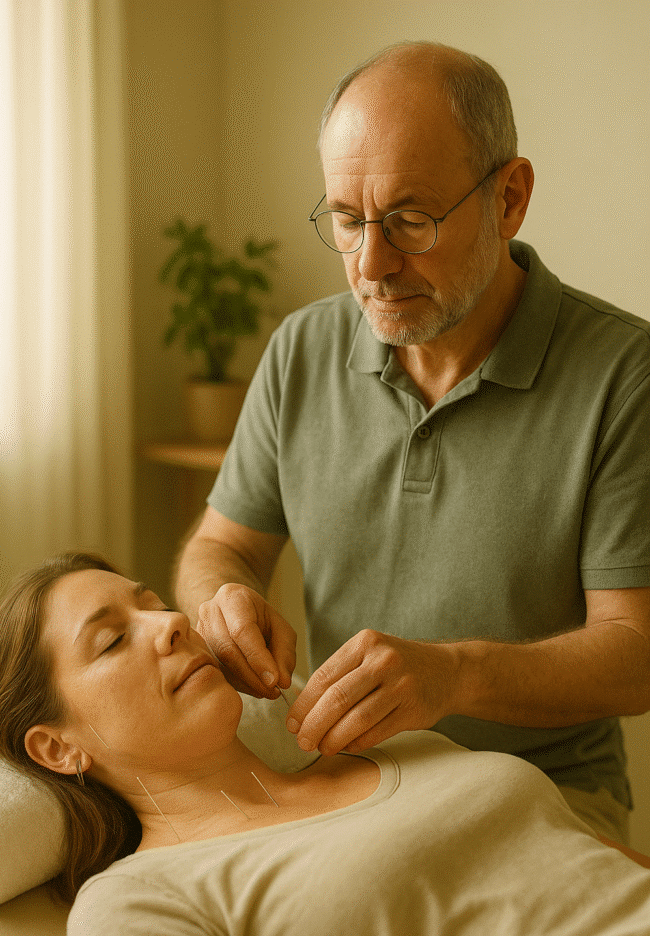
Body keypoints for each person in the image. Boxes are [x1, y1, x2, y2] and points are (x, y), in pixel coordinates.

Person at [174, 41, 650, 845]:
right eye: (348, 220)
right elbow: (220, 546)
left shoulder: (623, 374)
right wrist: (220, 600)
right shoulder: (300, 349)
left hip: (544, 800)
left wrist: (454, 674)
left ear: (509, 198)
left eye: (409, 220)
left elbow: (635, 654)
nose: (371, 264)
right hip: (343, 786)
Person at [0, 551, 650, 936]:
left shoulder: (404, 746)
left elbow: (597, 872)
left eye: (154, 605)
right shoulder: (137, 904)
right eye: (110, 640)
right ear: (55, 749)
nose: (170, 625)